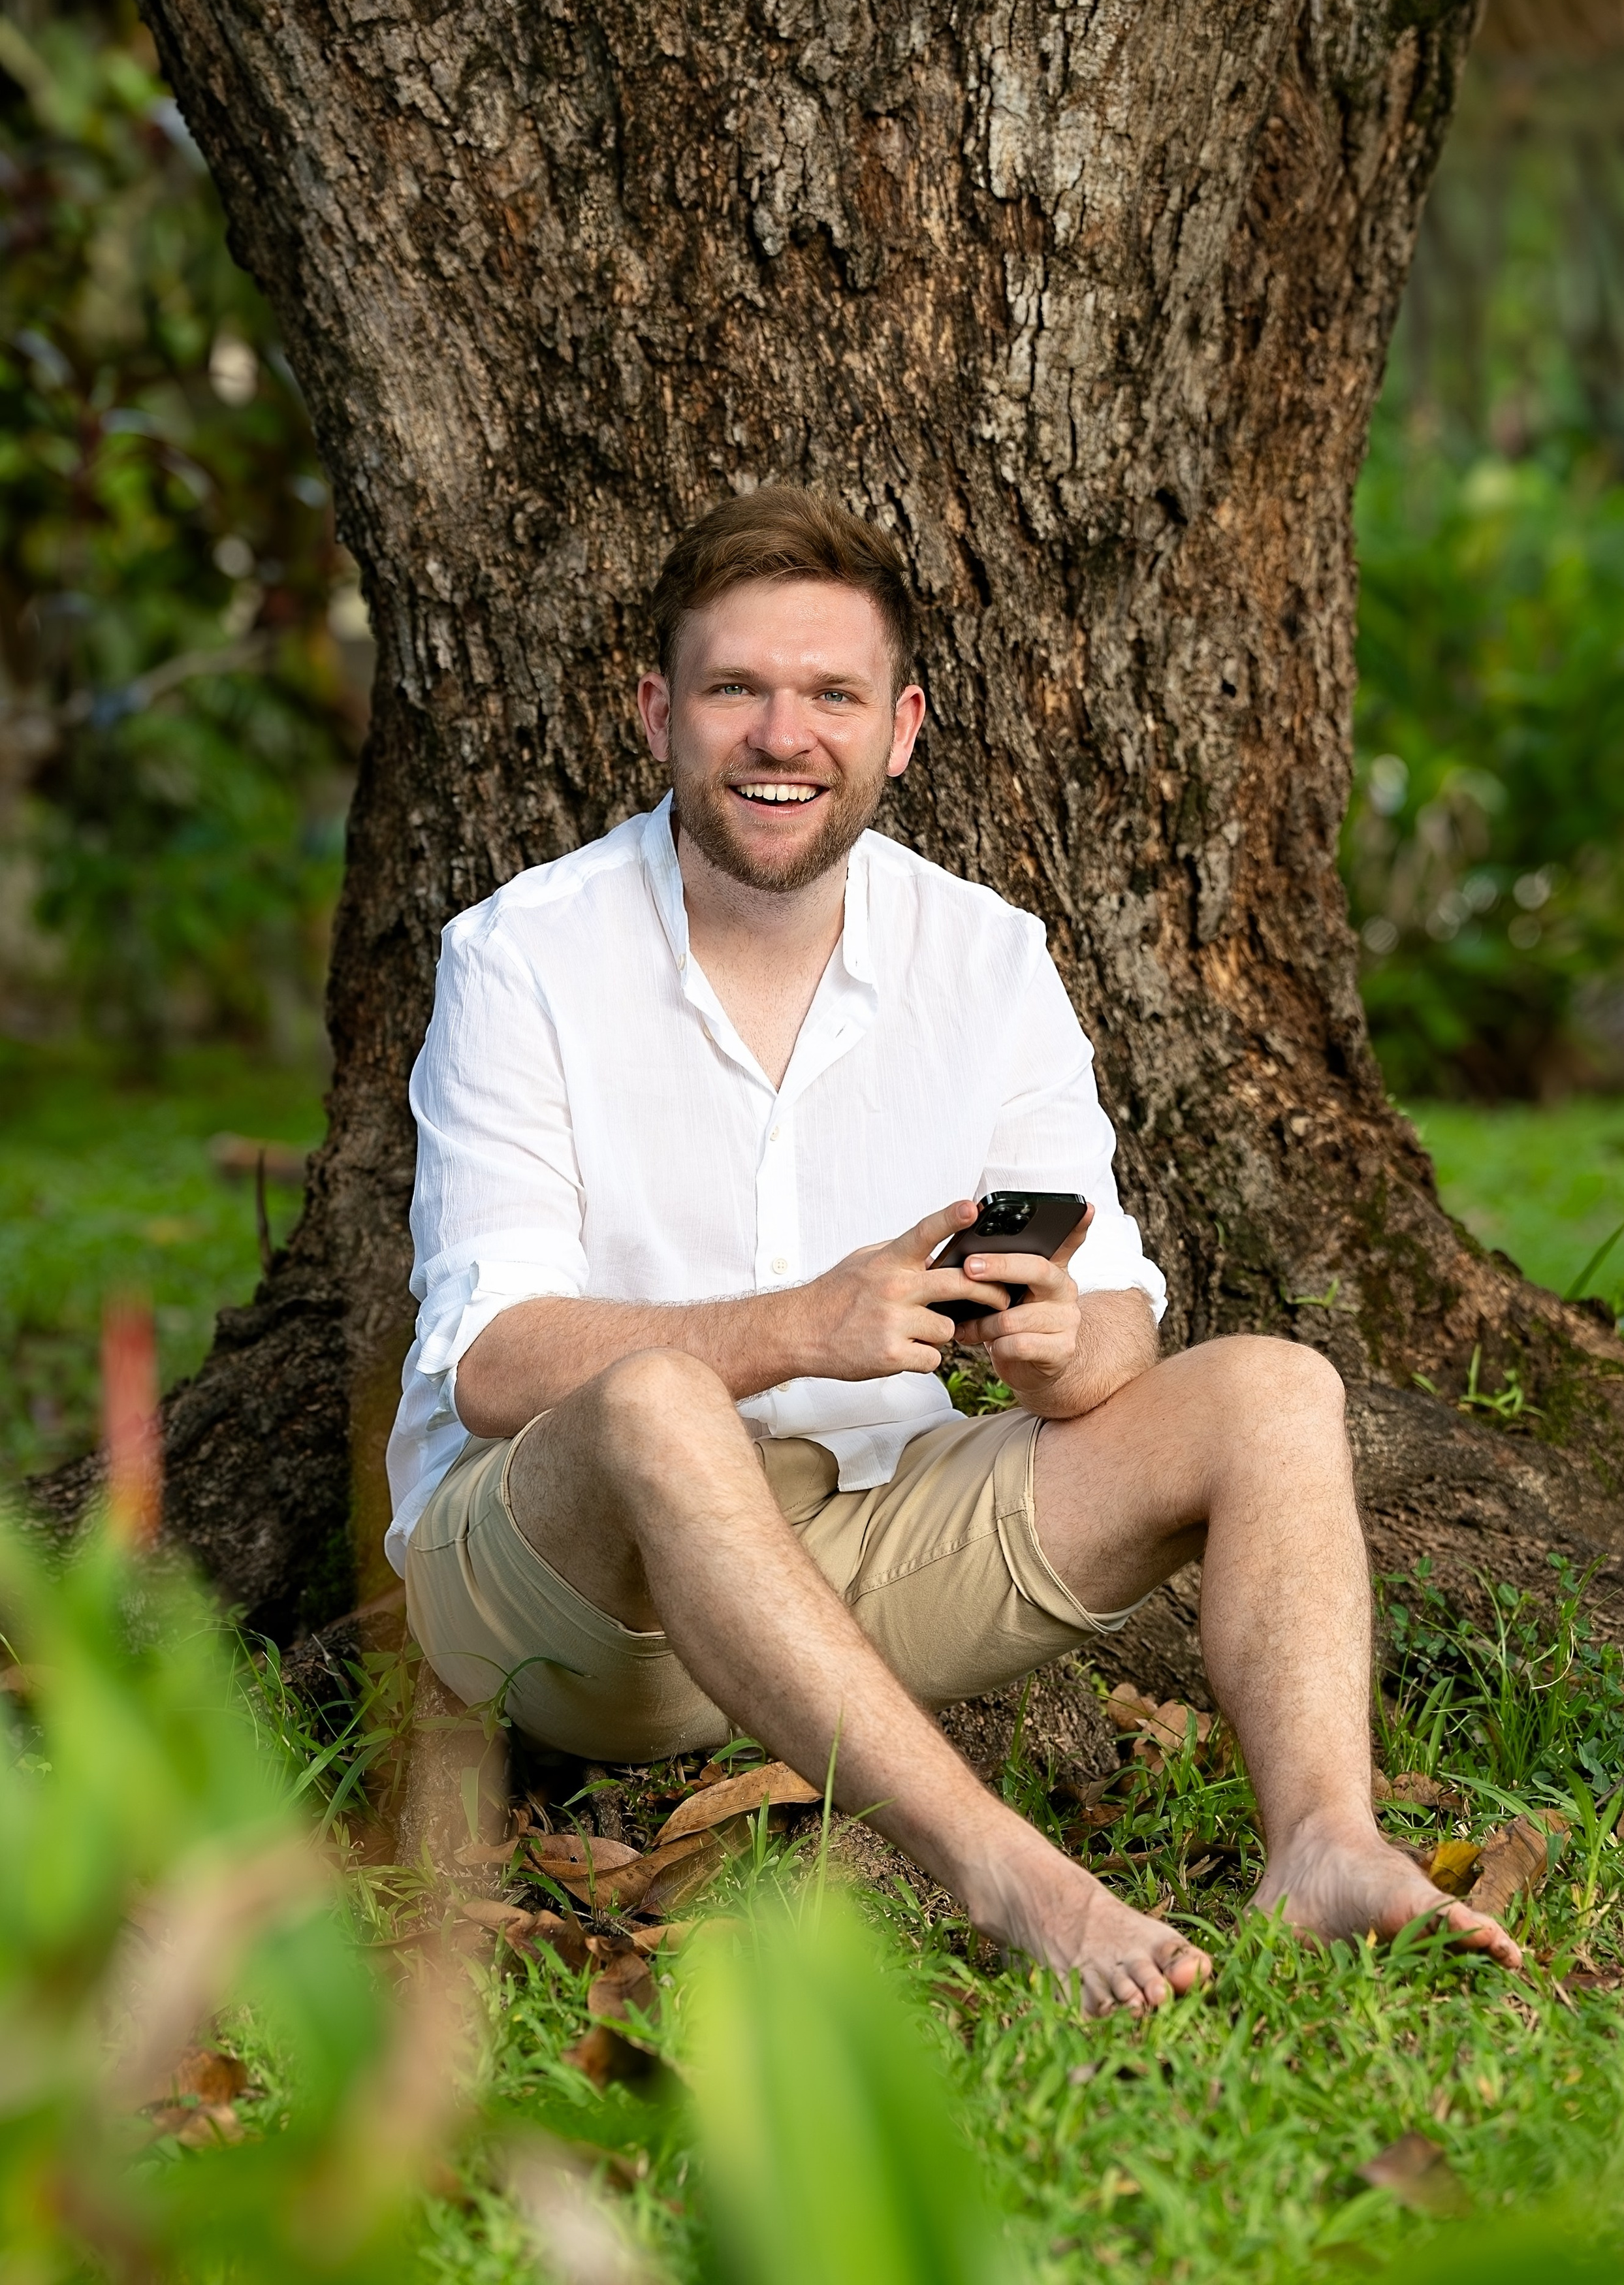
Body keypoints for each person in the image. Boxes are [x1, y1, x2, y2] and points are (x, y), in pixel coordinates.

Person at [384, 487, 1520, 2013]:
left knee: (1272, 1389)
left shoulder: (985, 957)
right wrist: (802, 1323)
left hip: (862, 1549)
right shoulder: (522, 956)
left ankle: (1324, 1846)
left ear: (900, 729)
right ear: (657, 713)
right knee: (656, 1399)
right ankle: (1004, 1874)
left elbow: (1114, 1319)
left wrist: (1059, 1344)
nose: (783, 735)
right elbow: (493, 1361)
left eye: (831, 695)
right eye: (734, 690)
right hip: (574, 1596)